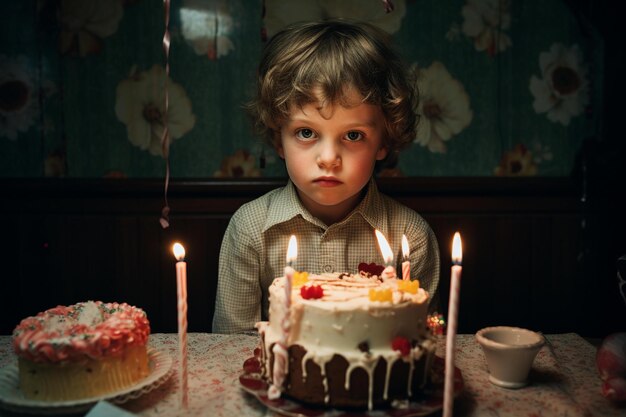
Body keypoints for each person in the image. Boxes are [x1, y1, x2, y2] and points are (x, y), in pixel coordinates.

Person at [212, 19, 440, 334]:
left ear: (383, 142)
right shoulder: (251, 230)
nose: (329, 158)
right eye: (306, 132)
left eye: (353, 135)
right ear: (279, 139)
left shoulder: (411, 237)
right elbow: (230, 345)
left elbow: (424, 340)